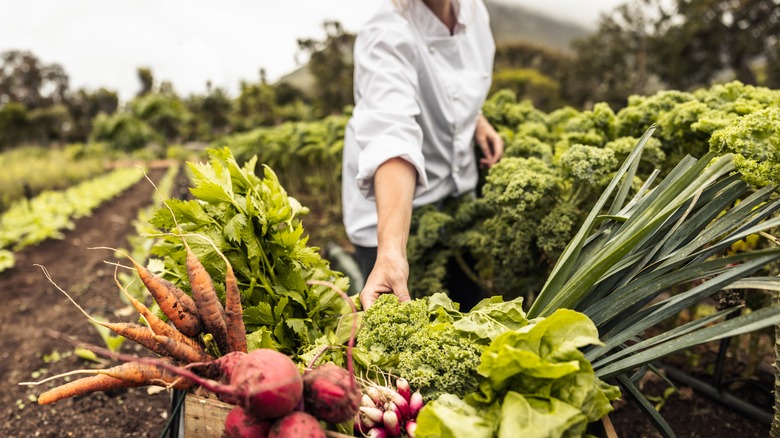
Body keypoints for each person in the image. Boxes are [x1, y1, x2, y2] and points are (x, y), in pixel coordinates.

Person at [341, 0, 504, 310]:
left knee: (467, 301)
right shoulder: (386, 30)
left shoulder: (473, 10)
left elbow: (454, 81)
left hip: (455, 192)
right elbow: (392, 135)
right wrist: (390, 252)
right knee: (405, 329)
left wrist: (475, 119)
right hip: (392, 208)